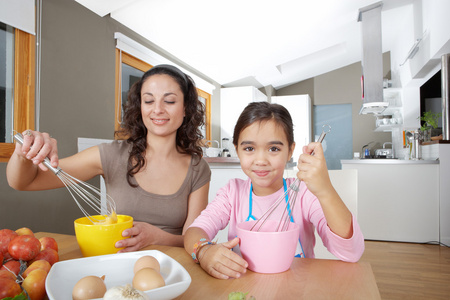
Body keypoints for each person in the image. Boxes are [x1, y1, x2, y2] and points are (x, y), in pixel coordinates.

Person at [6, 64, 211, 252]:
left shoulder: (197, 169)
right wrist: (24, 152)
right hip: (116, 263)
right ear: (140, 107)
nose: (157, 109)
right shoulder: (111, 155)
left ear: (185, 108)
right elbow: (25, 182)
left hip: (173, 268)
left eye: (169, 101)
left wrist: (157, 237)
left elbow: (193, 239)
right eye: (148, 100)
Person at [184, 101, 364, 279]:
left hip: (296, 288)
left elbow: (351, 252)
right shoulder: (232, 193)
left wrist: (325, 190)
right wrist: (203, 250)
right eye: (249, 148)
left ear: (290, 150)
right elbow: (195, 231)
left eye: (273, 148)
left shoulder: (303, 193)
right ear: (237, 150)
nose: (261, 160)